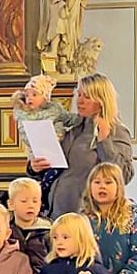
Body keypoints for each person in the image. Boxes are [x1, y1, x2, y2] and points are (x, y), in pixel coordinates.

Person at [27, 73, 134, 219]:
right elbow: (57, 168)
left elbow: (124, 175)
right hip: (54, 213)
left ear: (102, 100)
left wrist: (104, 141)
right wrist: (34, 168)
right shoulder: (72, 130)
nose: (80, 101)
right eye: (79, 94)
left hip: (87, 217)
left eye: (87, 97)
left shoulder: (116, 131)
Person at [12, 75, 82, 209]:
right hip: (38, 152)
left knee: (55, 170)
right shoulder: (23, 115)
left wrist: (80, 120)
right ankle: (41, 193)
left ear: (45, 97)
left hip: (56, 151)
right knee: (45, 172)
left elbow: (68, 119)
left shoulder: (54, 111)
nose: (29, 99)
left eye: (34, 95)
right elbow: (25, 135)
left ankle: (43, 192)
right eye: (27, 95)